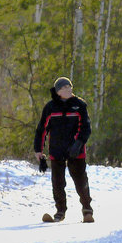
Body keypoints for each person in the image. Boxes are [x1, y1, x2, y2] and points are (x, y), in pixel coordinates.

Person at [33, 76, 93, 223]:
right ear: (58, 91)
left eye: (69, 86)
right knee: (57, 182)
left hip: (76, 150)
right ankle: (60, 212)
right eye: (64, 87)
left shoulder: (80, 105)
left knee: (80, 181)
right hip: (56, 150)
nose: (68, 89)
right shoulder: (50, 107)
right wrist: (38, 151)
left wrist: (78, 143)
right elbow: (41, 130)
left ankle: (87, 211)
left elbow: (86, 128)